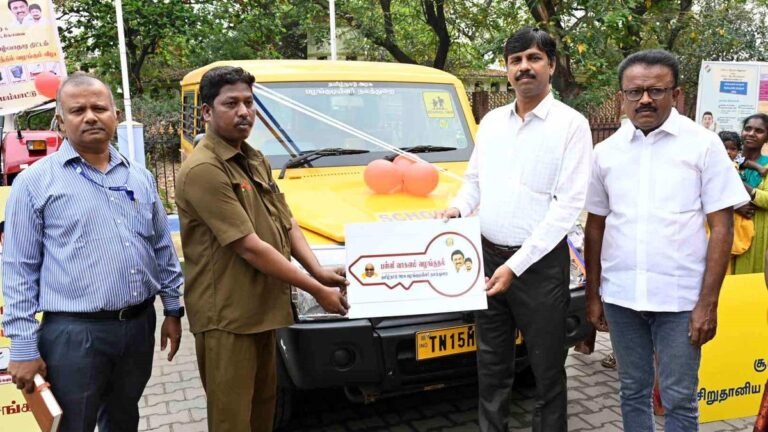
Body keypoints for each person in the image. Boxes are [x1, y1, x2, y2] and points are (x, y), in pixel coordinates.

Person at [2, 73, 184, 431]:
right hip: (75, 334)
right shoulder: (35, 183)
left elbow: (162, 247)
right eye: (78, 110)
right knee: (74, 424)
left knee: (123, 416)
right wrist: (23, 346)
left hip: (137, 327)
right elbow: (18, 269)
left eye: (99, 108)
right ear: (61, 120)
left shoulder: (139, 177)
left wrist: (174, 309)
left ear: (115, 115)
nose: (90, 117)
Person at [175, 66, 349, 432]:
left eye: (249, 103)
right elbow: (249, 247)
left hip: (261, 310)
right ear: (206, 112)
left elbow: (287, 222)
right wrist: (316, 289)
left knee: (262, 412)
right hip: (227, 318)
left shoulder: (253, 157)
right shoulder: (204, 169)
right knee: (232, 420)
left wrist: (318, 269)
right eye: (231, 103)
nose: (244, 112)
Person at [437, 27, 592, 432]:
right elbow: (474, 181)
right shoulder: (490, 123)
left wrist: (517, 266)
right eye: (515, 60)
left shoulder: (571, 126)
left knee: (546, 371)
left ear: (551, 66)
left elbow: (568, 208)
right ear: (507, 70)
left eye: (533, 58)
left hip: (539, 268)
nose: (524, 67)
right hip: (486, 260)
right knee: (490, 366)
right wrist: (456, 210)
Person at [585, 49, 748, 431]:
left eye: (656, 90)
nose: (645, 99)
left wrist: (708, 303)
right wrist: (594, 295)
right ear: (622, 96)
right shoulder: (605, 153)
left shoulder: (702, 145)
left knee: (679, 398)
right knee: (632, 390)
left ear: (676, 95)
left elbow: (722, 226)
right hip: (622, 296)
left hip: (680, 300)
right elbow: (595, 225)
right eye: (635, 91)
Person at [732, 113, 768, 274]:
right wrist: (735, 205)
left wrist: (740, 184)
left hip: (758, 232)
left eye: (759, 131)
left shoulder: (766, 166)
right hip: (727, 231)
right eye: (748, 129)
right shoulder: (726, 159)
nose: (751, 133)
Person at [717, 131, 755, 262]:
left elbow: (746, 162)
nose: (728, 152)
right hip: (722, 213)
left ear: (738, 151)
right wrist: (736, 205)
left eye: (732, 149)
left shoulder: (735, 164)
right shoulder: (715, 167)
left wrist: (760, 168)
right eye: (724, 148)